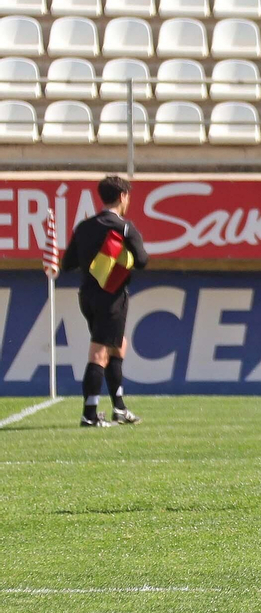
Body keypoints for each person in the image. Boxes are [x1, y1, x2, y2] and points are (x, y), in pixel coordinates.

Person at [59, 175, 147, 427]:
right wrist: (119, 256)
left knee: (117, 345)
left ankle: (119, 407)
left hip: (87, 295)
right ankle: (89, 413)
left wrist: (94, 260)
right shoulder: (124, 227)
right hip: (111, 296)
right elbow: (142, 260)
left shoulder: (84, 227)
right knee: (99, 352)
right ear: (122, 197)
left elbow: (67, 264)